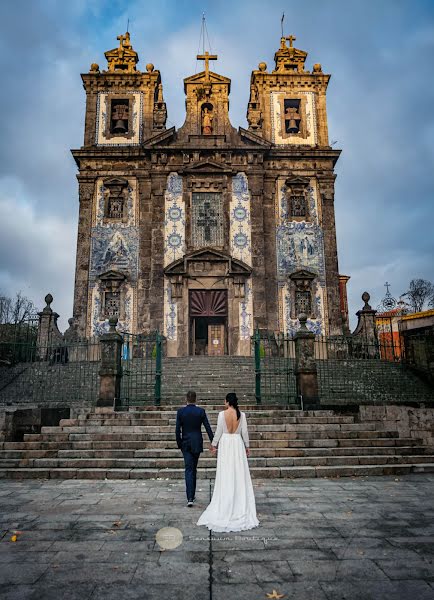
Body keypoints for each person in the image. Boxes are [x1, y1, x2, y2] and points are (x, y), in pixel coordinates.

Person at [196, 392, 260, 532]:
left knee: (225, 473)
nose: (224, 402)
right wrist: (247, 446)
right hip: (237, 443)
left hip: (226, 443)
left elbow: (218, 431)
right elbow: (245, 432)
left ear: (227, 402)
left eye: (224, 400)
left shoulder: (221, 414)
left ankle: (225, 502)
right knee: (238, 472)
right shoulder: (241, 415)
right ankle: (238, 501)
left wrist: (214, 444)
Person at [176, 390, 214, 507]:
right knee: (194, 468)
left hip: (186, 443)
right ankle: (192, 494)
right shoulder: (200, 411)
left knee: (189, 469)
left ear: (186, 399)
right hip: (197, 442)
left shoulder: (181, 412)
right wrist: (213, 442)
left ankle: (190, 497)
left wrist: (179, 444)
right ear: (195, 399)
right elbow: (208, 427)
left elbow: (177, 430)